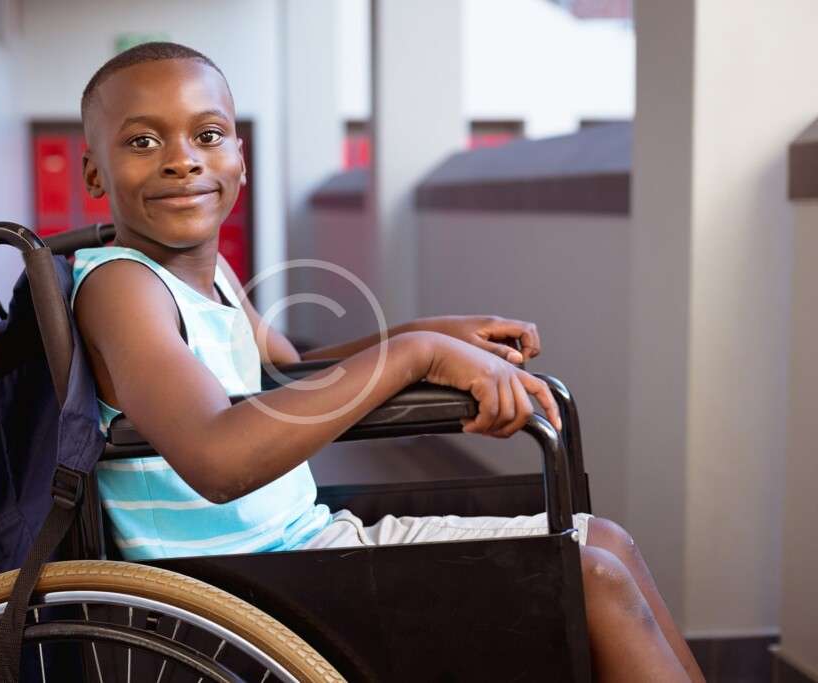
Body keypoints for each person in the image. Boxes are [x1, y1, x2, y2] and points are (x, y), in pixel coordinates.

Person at [71, 41, 705, 683]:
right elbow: (218, 459)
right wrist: (413, 354)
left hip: (296, 551)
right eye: (143, 142)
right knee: (590, 576)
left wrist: (428, 332)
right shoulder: (123, 288)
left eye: (207, 136)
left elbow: (293, 369)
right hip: (226, 599)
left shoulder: (211, 279)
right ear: (94, 174)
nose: (182, 160)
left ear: (240, 157)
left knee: (605, 541)